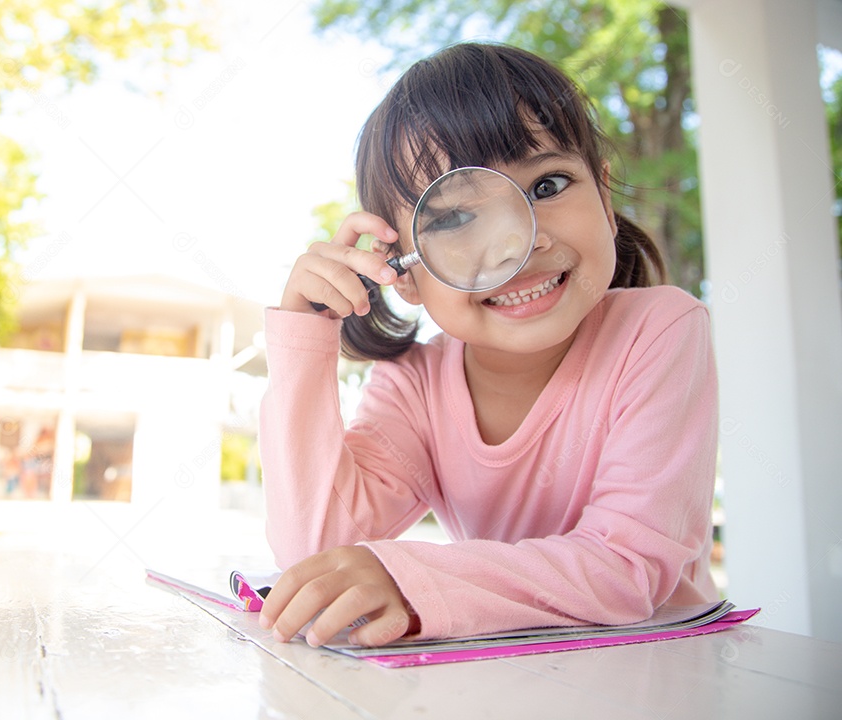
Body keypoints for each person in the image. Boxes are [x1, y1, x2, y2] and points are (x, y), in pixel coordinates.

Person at [256, 42, 719, 649]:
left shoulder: (660, 330)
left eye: (548, 185)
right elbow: (315, 548)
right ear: (402, 270)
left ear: (606, 201)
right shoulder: (415, 384)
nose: (512, 249)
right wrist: (306, 335)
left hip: (666, 670)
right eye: (452, 219)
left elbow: (627, 571)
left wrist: (412, 578)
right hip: (508, 677)